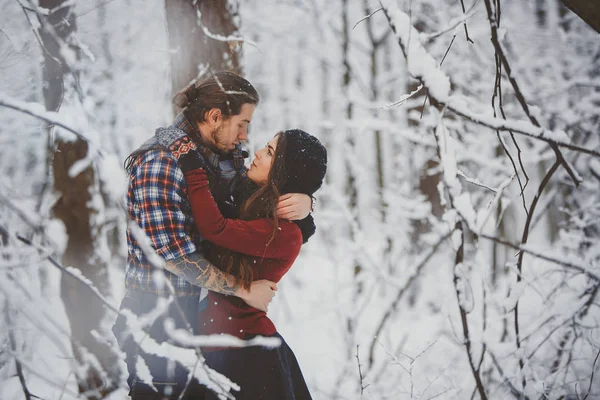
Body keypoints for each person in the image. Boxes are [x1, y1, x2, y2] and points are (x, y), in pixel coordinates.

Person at [112, 71, 315, 399]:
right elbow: (174, 256)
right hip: (161, 318)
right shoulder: (158, 164)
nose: (246, 136)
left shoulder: (222, 157)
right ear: (214, 116)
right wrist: (243, 288)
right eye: (242, 123)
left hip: (207, 321)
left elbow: (263, 203)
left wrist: (304, 204)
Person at [163, 128, 327, 399]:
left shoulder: (285, 233)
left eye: (271, 152)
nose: (258, 153)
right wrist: (308, 203)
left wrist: (192, 168)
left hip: (245, 350)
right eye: (265, 146)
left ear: (286, 172)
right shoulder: (250, 202)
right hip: (213, 343)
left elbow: (215, 228)